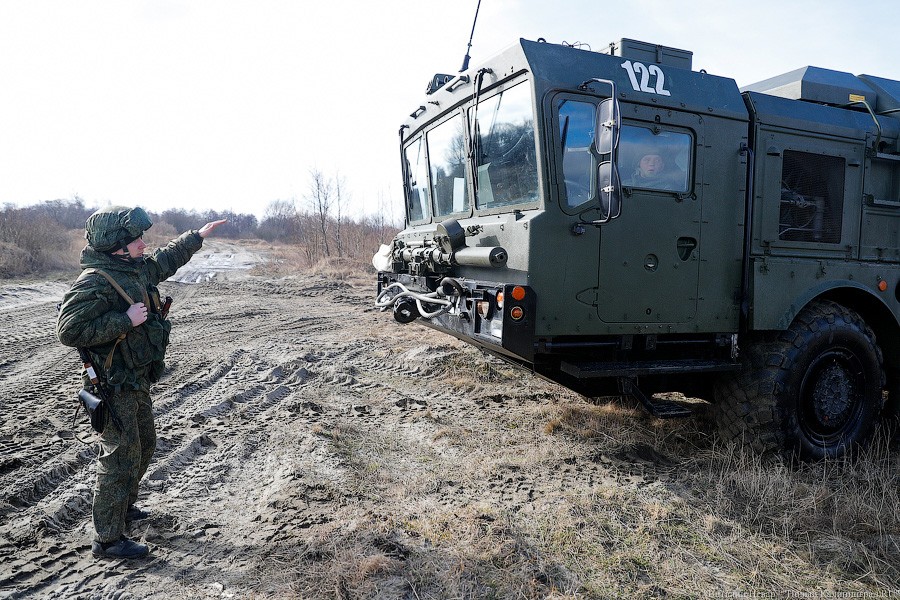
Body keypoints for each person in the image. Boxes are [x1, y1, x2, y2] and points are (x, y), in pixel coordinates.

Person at [56, 206, 226, 559]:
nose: (143, 244)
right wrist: (125, 320)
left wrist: (196, 236)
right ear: (116, 245)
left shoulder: (133, 268)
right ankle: (107, 539)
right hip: (111, 383)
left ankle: (124, 506)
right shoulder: (95, 281)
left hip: (135, 379)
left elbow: (166, 259)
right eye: (136, 240)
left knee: (145, 445)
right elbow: (68, 331)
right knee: (119, 457)